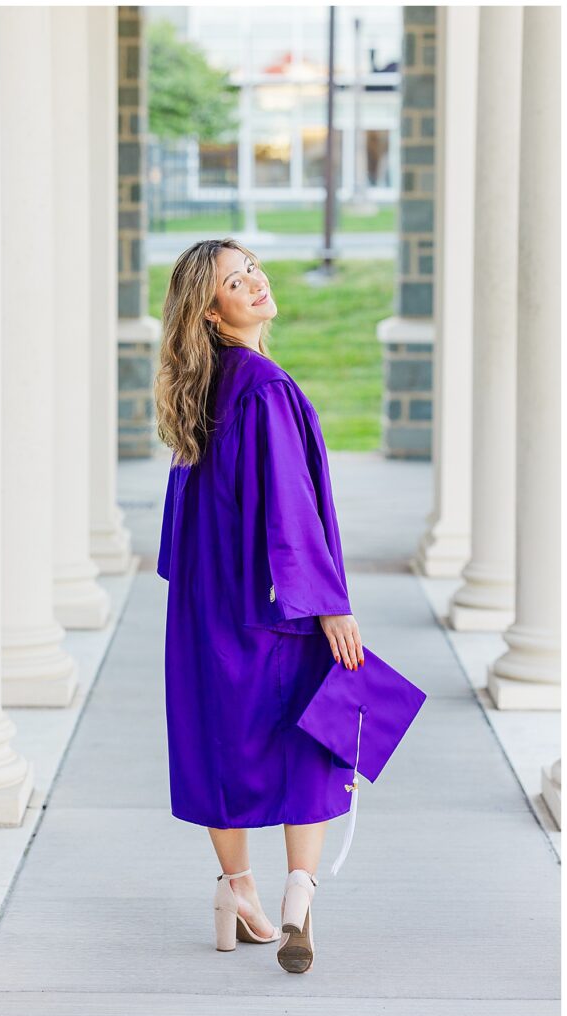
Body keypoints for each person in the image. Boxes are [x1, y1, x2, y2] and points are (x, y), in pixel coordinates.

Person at [154, 238, 364, 974]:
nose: (254, 284)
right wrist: (330, 604)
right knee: (311, 732)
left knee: (220, 738)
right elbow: (290, 505)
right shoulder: (265, 385)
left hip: (209, 596)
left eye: (252, 271)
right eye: (234, 283)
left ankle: (236, 893)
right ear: (211, 313)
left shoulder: (200, 386)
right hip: (275, 595)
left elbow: (182, 518)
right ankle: (298, 894)